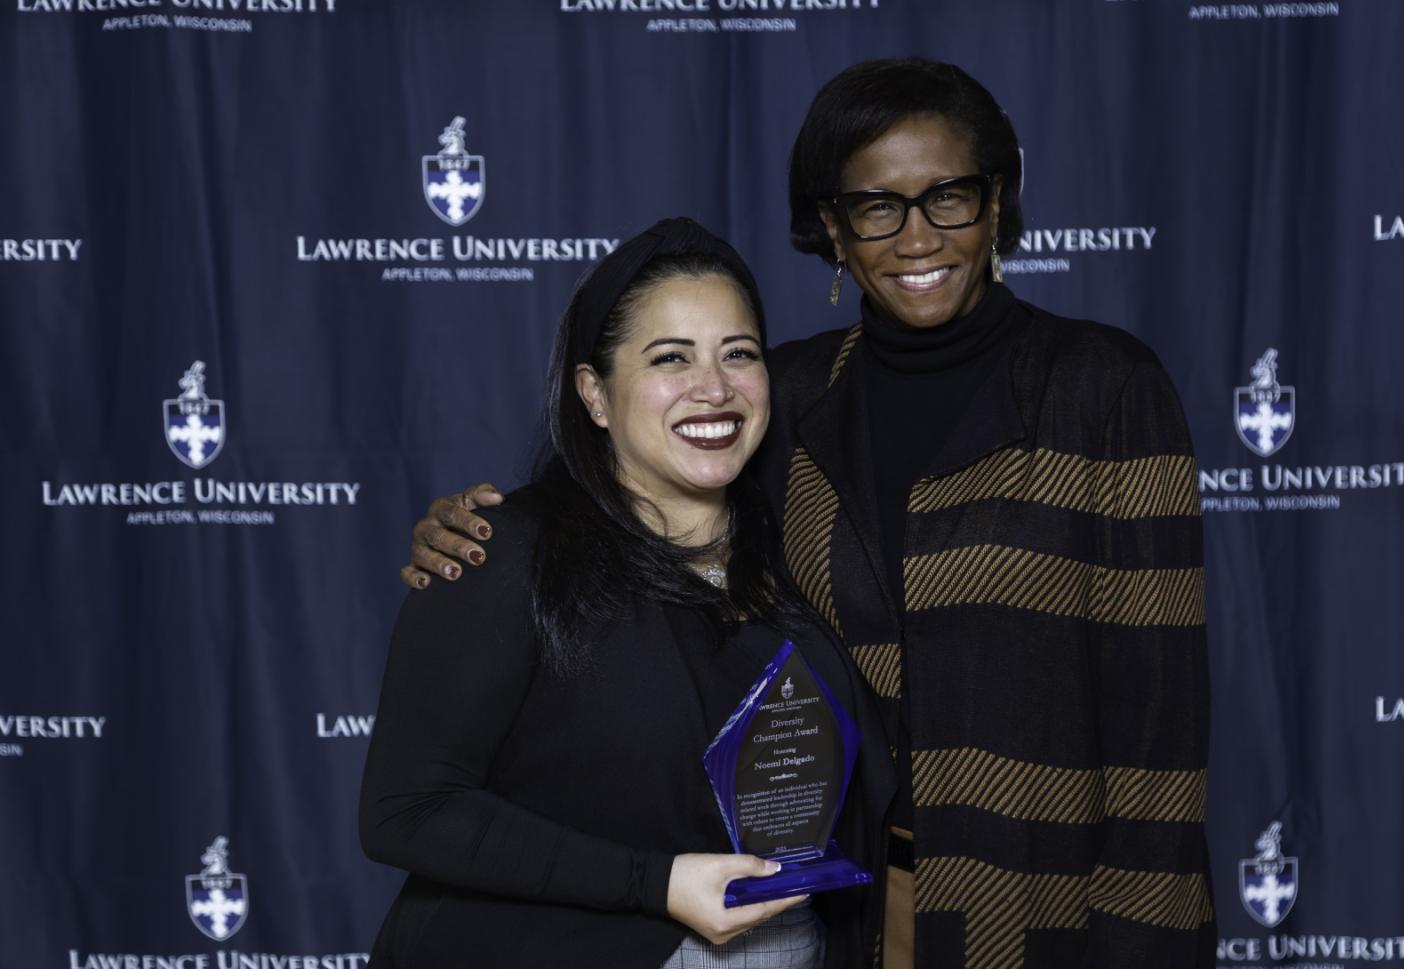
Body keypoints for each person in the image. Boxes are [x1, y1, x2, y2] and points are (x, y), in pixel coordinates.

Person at [402, 59, 1214, 969]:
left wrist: (1147, 944)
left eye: (949, 196)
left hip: (1053, 910)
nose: (916, 237)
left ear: (996, 203)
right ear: (832, 227)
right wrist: (497, 530)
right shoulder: (783, 398)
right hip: (860, 911)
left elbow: (1162, 731)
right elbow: (645, 499)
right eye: (876, 206)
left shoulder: (1105, 390)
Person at [360, 217, 893, 968]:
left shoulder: (798, 544)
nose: (713, 387)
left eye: (738, 353)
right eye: (671, 358)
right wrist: (658, 883)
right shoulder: (507, 550)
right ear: (596, 394)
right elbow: (404, 810)